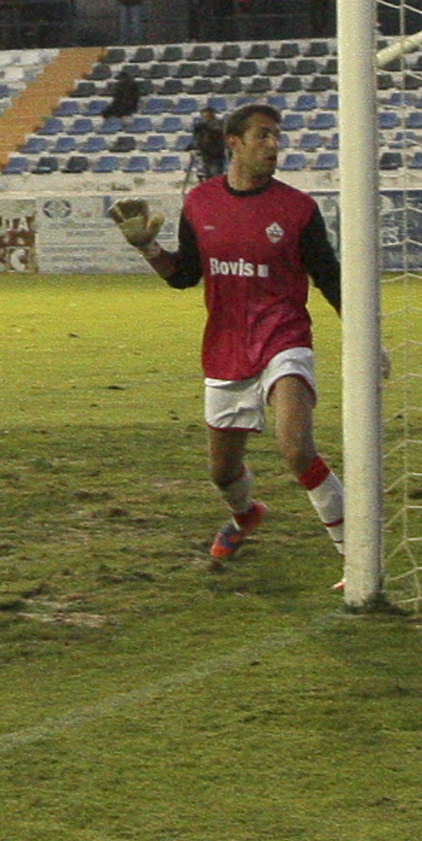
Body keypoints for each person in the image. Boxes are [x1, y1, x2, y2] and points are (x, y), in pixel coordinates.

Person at [108, 104, 348, 567]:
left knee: (296, 448)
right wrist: (148, 249)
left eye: (277, 136)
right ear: (233, 143)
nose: (274, 145)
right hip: (226, 345)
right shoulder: (200, 203)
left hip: (284, 337)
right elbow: (184, 276)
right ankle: (246, 515)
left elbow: (330, 279)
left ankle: (355, 559)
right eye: (263, 136)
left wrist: (366, 337)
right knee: (221, 472)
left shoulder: (298, 209)